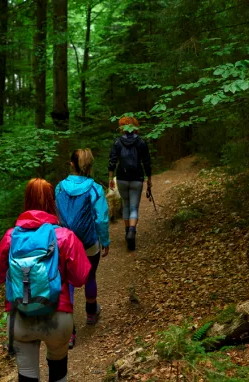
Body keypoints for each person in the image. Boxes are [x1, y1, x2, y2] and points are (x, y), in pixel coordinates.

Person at [0, 178, 91, 382]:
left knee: (26, 377)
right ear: (51, 202)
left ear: (26, 201)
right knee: (58, 372)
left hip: (20, 316)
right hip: (58, 316)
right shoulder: (65, 236)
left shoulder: (11, 237)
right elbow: (80, 278)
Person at [55, 149, 110, 349]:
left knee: (67, 284)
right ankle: (90, 313)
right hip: (88, 243)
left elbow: (58, 214)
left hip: (65, 243)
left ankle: (70, 334)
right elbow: (102, 218)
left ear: (72, 164)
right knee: (90, 276)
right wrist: (105, 240)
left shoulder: (60, 188)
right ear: (90, 165)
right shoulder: (95, 188)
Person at [108, 116, 152, 250]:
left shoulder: (117, 142)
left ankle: (127, 232)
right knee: (134, 207)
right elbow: (146, 162)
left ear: (122, 127)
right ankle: (132, 231)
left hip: (121, 178)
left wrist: (110, 178)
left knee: (126, 205)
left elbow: (112, 161)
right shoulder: (141, 142)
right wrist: (149, 178)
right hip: (137, 178)